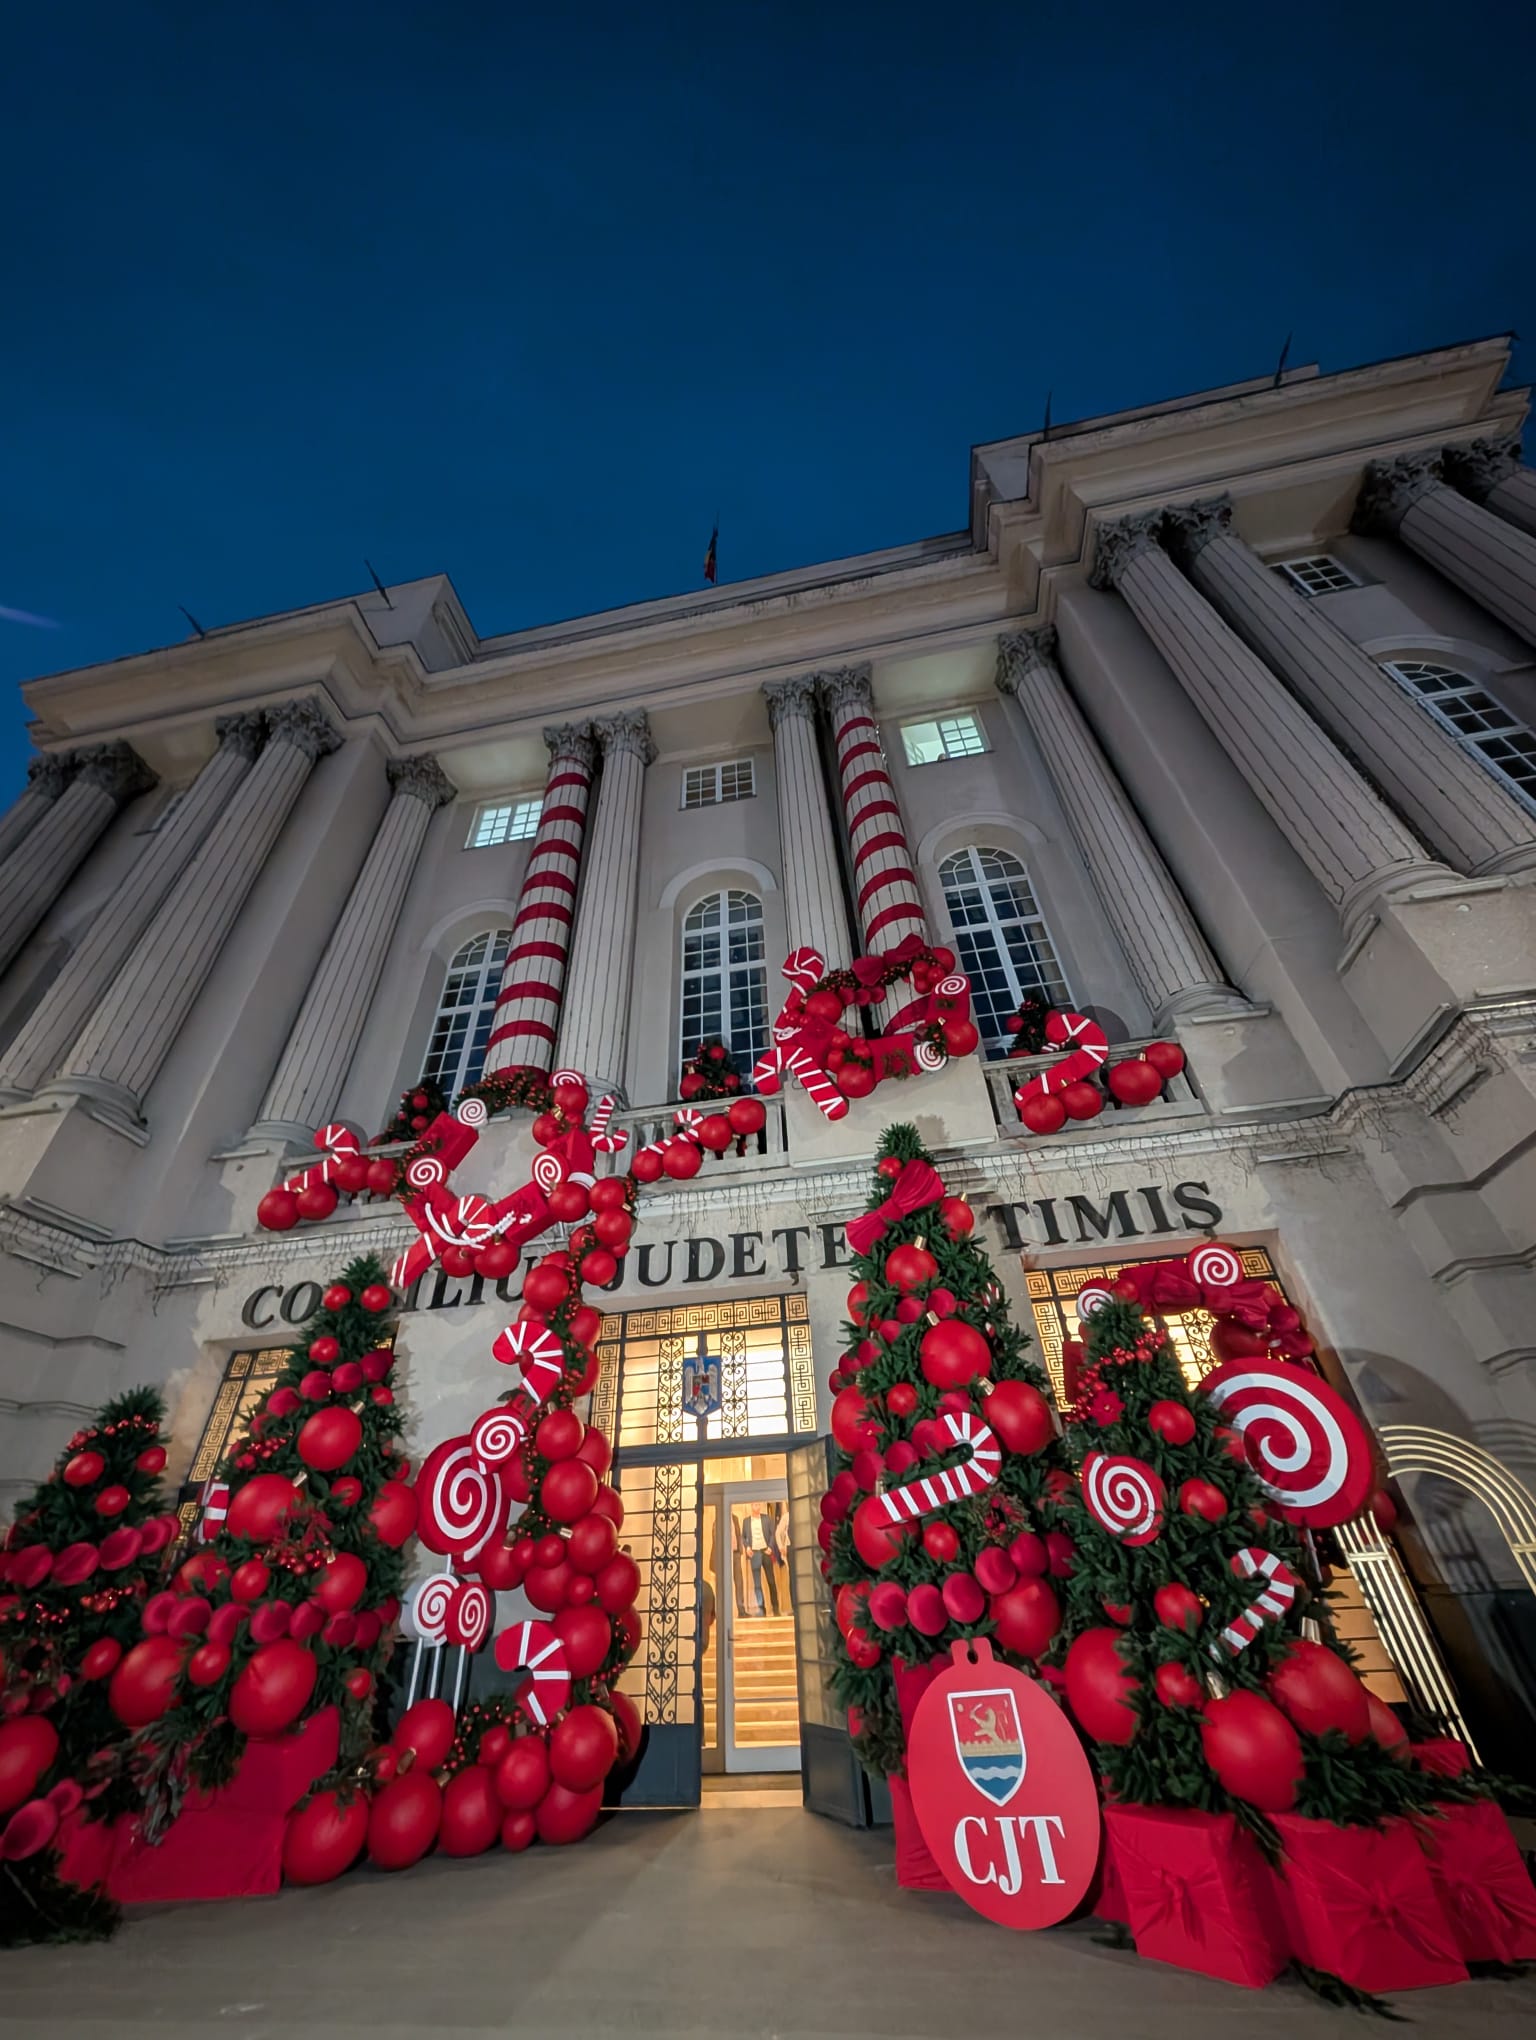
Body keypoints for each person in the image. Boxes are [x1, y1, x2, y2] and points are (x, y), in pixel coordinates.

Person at [738, 1505, 780, 1616]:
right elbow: (743, 1536)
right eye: (755, 1505)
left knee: (771, 1581)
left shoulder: (766, 1518)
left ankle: (776, 1608)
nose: (757, 1507)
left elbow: (773, 1533)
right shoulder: (746, 1521)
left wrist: (770, 1547)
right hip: (754, 1553)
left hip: (765, 1551)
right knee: (757, 1584)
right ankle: (762, 1609)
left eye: (758, 1505)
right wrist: (747, 1547)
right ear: (752, 1506)